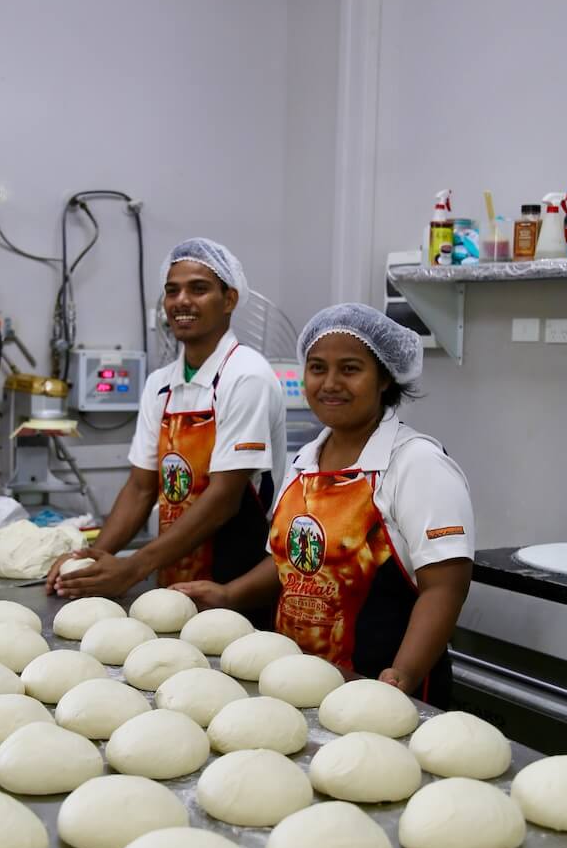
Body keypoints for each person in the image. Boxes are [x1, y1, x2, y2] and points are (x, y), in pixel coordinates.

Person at [174, 303, 474, 707]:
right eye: (317, 368)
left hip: (377, 689)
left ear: (384, 377)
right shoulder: (305, 462)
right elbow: (293, 565)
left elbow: (445, 588)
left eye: (350, 369)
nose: (330, 383)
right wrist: (229, 595)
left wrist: (401, 676)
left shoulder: (416, 464)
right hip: (295, 679)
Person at [49, 239, 287, 600]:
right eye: (172, 291)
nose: (182, 302)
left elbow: (225, 496)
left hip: (233, 576)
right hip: (173, 564)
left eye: (199, 289)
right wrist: (97, 556)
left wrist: (134, 567)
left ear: (230, 300)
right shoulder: (160, 384)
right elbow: (141, 487)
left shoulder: (245, 375)